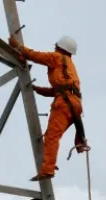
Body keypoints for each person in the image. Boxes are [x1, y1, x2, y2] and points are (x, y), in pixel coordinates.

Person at [8, 35, 89, 181]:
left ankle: (47, 170)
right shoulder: (69, 64)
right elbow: (61, 89)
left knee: (52, 137)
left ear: (59, 48)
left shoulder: (57, 57)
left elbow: (35, 56)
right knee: (52, 136)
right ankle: (50, 163)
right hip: (74, 104)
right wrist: (39, 89)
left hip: (65, 104)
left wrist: (17, 46)